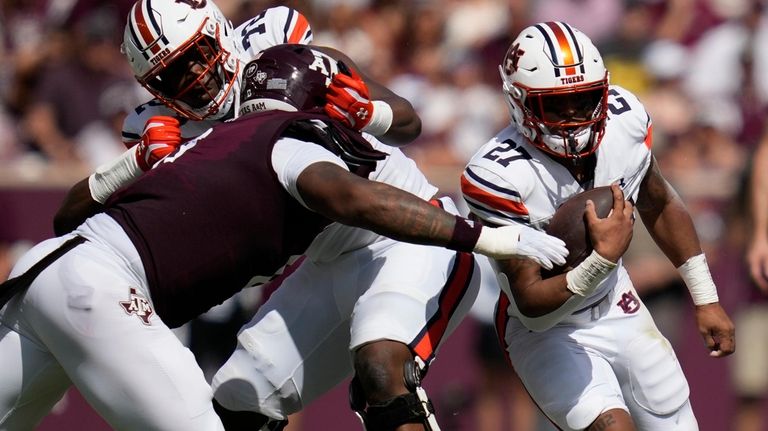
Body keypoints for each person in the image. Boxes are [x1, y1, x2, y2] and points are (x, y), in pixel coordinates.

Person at [0, 44, 568, 431]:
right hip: (103, 284)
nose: (195, 81)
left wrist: (368, 112)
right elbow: (348, 197)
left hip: (47, 271)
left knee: (335, 380)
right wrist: (488, 238)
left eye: (199, 60)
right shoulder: (277, 138)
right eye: (175, 74)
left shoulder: (253, 121)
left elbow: (398, 134)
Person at [460, 21, 735, 431]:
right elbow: (530, 300)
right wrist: (602, 260)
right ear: (518, 102)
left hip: (617, 306)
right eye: (555, 106)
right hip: (546, 330)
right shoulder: (497, 175)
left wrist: (705, 296)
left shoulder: (623, 122)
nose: (573, 118)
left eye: (584, 100)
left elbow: (660, 202)